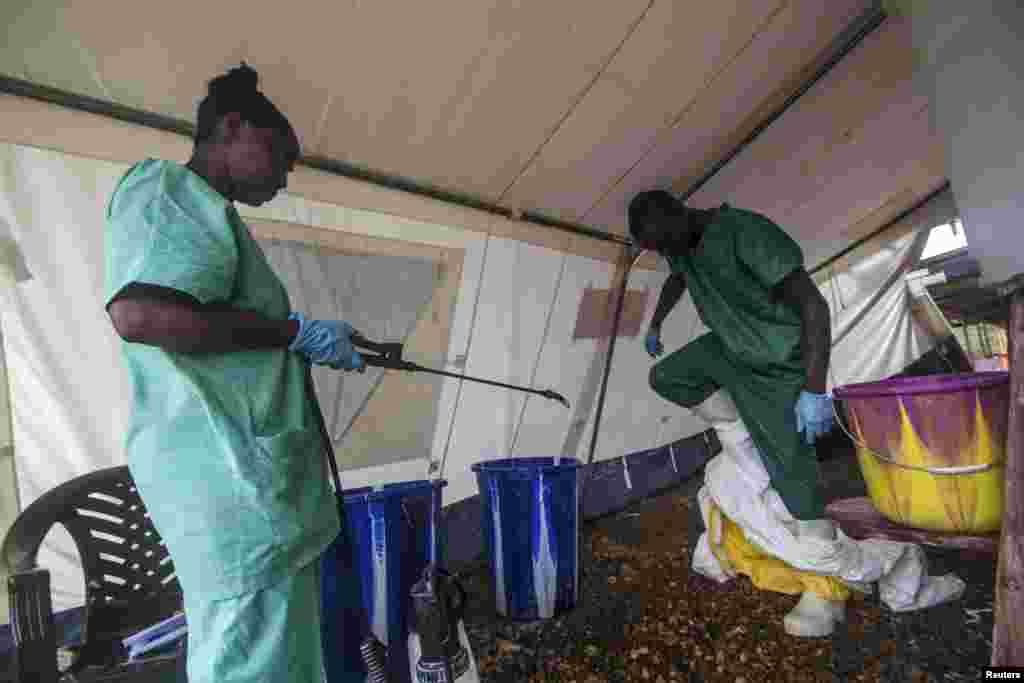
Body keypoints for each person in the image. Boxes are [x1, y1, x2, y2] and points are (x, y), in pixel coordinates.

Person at [104, 64, 366, 682]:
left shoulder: (208, 215)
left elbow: (221, 332)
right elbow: (141, 313)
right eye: (281, 154)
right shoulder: (168, 192)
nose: (285, 174)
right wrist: (289, 331)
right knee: (251, 662)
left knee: (275, 659)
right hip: (233, 491)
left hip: (254, 494)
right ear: (232, 127)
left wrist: (300, 338)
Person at [629, 190, 840, 636]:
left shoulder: (743, 231)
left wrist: (814, 388)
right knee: (668, 376)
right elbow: (677, 278)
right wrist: (655, 323)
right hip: (730, 350)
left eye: (665, 243)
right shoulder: (680, 245)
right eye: (659, 249)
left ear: (678, 214)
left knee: (794, 474)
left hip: (776, 364)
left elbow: (813, 305)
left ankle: (825, 592)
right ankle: (740, 432)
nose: (668, 253)